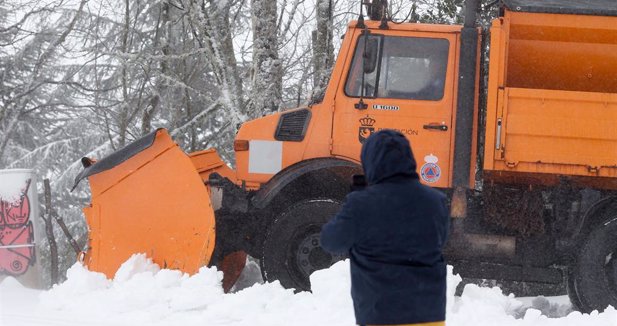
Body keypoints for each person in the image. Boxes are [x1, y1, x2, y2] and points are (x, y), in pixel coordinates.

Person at [320, 130, 449, 326]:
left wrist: (356, 203)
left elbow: (331, 241)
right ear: (408, 159)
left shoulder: (361, 204)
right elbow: (440, 239)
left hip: (381, 315)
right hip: (429, 316)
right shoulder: (436, 201)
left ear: (370, 161)